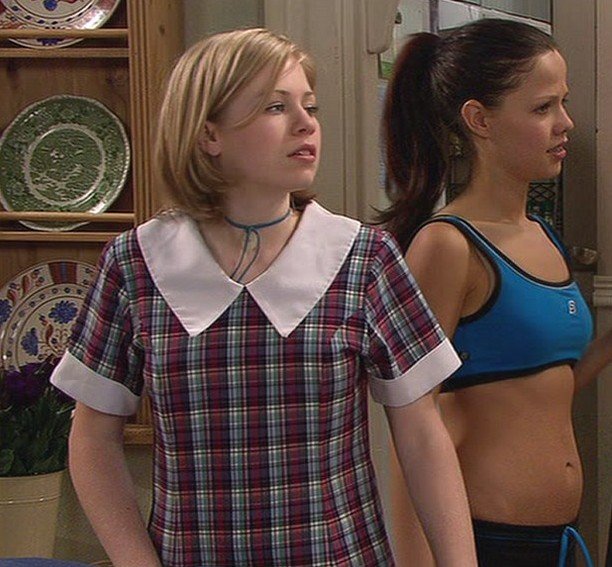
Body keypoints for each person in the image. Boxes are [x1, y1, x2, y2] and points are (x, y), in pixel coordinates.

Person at [50, 28, 477, 566]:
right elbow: (92, 438)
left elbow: (422, 435)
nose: (306, 124)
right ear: (209, 134)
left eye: (310, 106)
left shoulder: (362, 258)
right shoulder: (139, 264)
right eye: (276, 107)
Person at [379, 17, 612, 567]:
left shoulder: (544, 238)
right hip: (486, 543)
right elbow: (412, 428)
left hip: (561, 541)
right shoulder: (447, 245)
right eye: (542, 108)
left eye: (563, 103)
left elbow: (534, 397)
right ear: (479, 120)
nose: (565, 124)